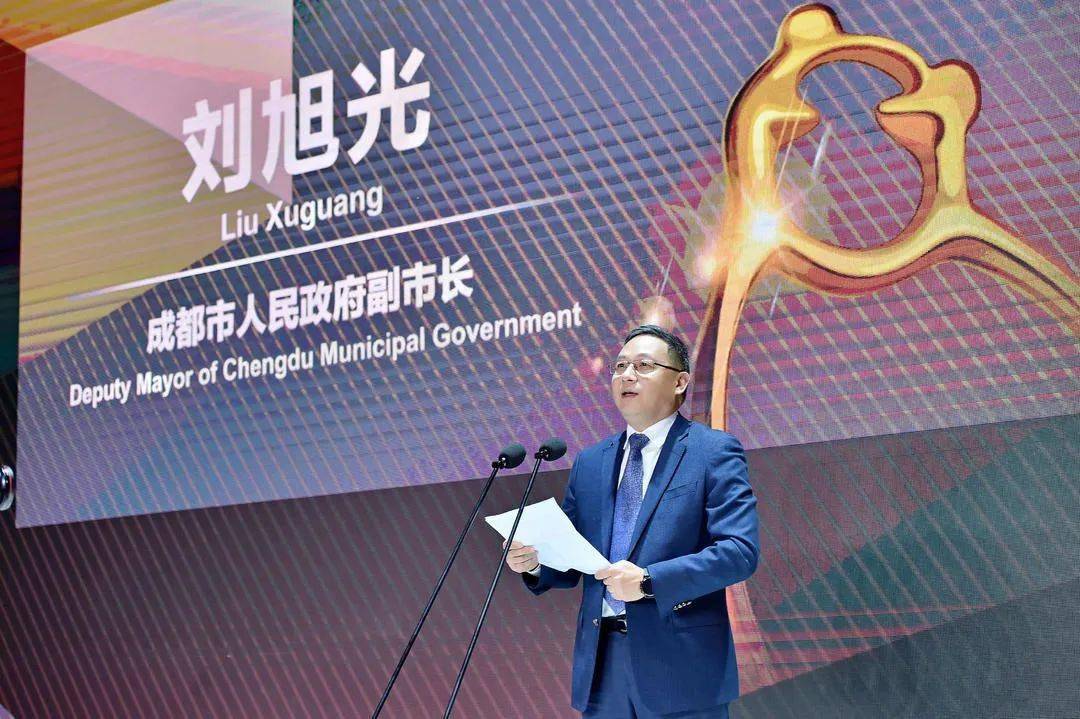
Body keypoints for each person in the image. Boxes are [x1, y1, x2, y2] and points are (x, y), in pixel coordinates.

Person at [505, 325, 759, 718]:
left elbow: (738, 553)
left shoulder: (711, 451)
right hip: (602, 669)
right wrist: (535, 562)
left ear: (680, 382)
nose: (627, 375)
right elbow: (570, 557)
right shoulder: (591, 462)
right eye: (620, 366)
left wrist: (648, 581)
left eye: (643, 366)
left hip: (682, 670)